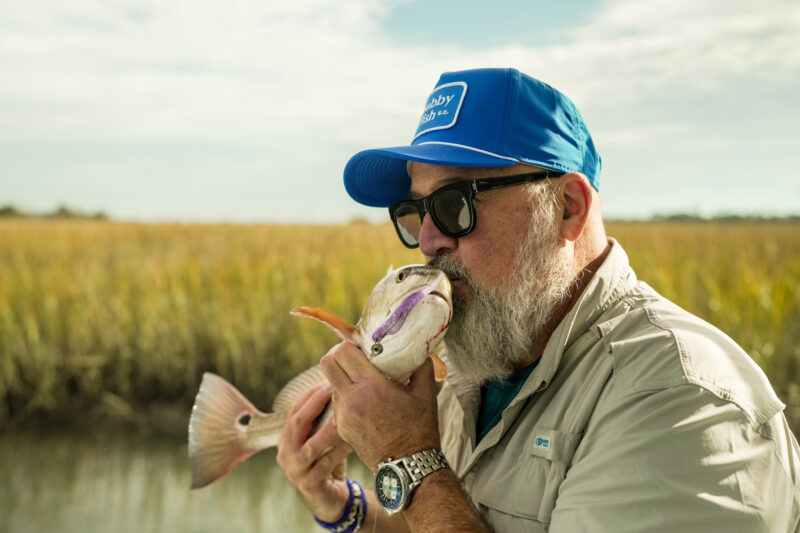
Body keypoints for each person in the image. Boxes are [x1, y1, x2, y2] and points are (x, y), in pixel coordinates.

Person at [276, 68, 800, 532]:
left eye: (455, 202)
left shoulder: (680, 401)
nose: (430, 239)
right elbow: (442, 518)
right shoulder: (483, 358)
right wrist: (344, 507)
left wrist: (408, 458)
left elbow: (433, 500)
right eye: (415, 212)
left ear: (568, 208)